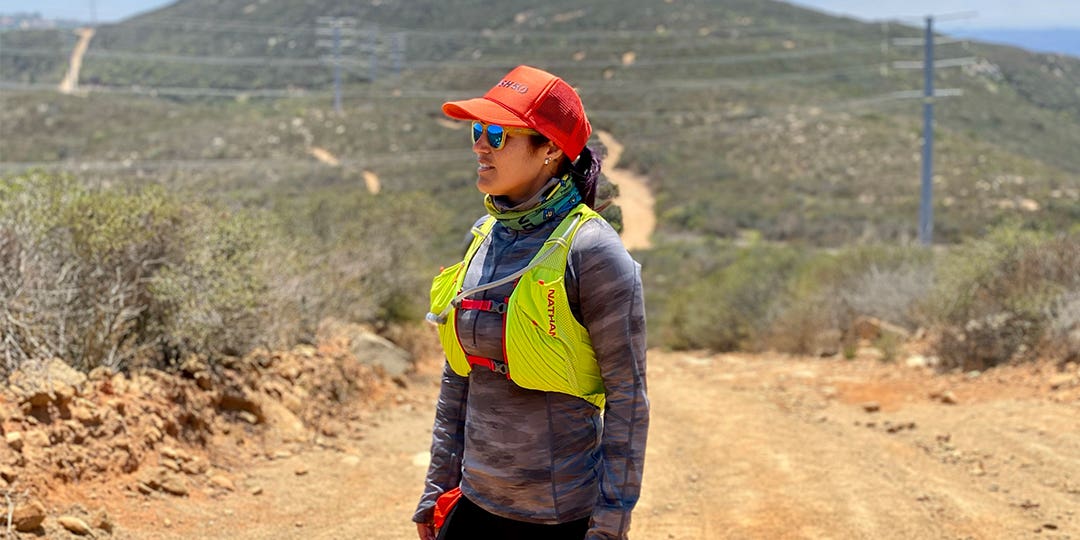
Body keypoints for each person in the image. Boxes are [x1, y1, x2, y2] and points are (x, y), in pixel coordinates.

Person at [412, 65, 649, 540]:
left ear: (552, 149)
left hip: (560, 519)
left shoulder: (592, 252)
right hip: (473, 508)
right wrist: (437, 489)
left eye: (498, 134)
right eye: (478, 131)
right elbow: (459, 376)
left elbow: (628, 399)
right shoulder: (480, 240)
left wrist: (610, 525)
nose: (480, 145)